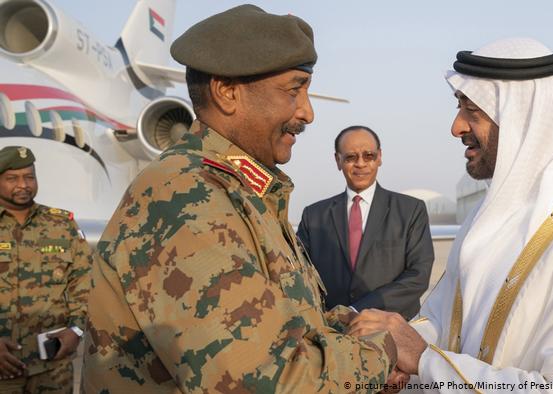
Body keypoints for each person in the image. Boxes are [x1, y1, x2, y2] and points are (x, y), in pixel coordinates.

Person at [82, 5, 400, 392]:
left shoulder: (239, 189)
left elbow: (283, 318)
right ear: (228, 93)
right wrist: (383, 350)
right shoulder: (185, 198)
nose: (308, 112)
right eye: (294, 89)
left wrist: (352, 325)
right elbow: (270, 381)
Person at [349, 38, 553, 392]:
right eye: (459, 107)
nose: (457, 127)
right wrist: (392, 346)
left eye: (473, 110)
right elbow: (442, 320)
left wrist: (423, 359)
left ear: (524, 120)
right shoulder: (487, 217)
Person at [297, 126, 434, 320]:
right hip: (332, 332)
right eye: (351, 157)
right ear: (338, 160)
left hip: (391, 329)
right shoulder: (314, 216)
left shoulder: (411, 210)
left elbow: (418, 276)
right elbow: (300, 275)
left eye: (368, 156)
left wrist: (355, 310)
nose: (360, 164)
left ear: (379, 157)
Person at [0, 146, 92, 394]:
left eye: (29, 177)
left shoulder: (61, 224)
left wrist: (76, 330)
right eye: (12, 178)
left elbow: (85, 283)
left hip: (53, 368)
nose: (23, 185)